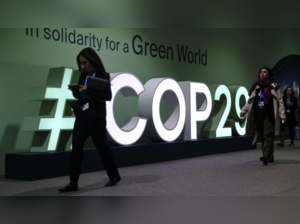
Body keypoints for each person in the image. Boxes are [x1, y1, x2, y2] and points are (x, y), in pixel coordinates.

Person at [58, 47, 121, 193]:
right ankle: (73, 183)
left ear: (93, 60)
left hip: (96, 117)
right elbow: (81, 97)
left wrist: (88, 91)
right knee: (76, 149)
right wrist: (76, 92)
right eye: (81, 63)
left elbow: (107, 97)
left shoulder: (103, 76)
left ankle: (115, 176)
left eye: (85, 62)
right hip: (82, 115)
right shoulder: (82, 76)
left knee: (102, 147)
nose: (84, 66)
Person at [240, 66, 285, 165]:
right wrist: (244, 110)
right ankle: (270, 156)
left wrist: (282, 115)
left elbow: (280, 101)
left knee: (267, 134)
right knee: (263, 135)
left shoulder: (274, 86)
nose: (262, 73)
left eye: (265, 72)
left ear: (269, 74)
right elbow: (250, 100)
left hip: (269, 114)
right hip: (258, 114)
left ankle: (265, 156)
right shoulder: (256, 86)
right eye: (261, 72)